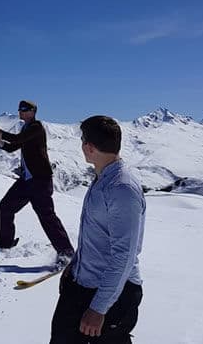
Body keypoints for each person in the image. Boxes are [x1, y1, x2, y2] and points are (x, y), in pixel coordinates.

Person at [50, 115, 146, 344]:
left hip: (110, 295)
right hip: (82, 285)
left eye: (83, 140)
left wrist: (99, 308)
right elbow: (96, 236)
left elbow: (124, 255)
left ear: (89, 147)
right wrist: (75, 266)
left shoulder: (122, 189)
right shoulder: (103, 178)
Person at [0, 100, 74, 261]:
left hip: (40, 181)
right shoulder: (26, 128)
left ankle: (67, 254)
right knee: (6, 207)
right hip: (26, 181)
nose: (20, 112)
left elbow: (16, 140)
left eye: (24, 109)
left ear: (33, 112)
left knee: (47, 217)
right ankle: (5, 243)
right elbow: (13, 146)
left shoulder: (36, 127)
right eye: (19, 109)